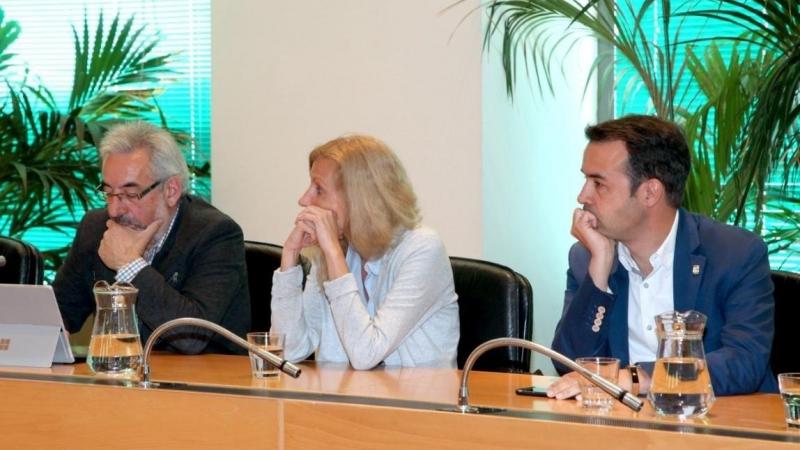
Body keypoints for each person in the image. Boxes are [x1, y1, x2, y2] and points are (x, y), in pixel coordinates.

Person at [548, 115, 777, 399]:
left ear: (650, 192)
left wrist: (636, 377)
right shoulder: (587, 257)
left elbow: (744, 362)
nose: (583, 196)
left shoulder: (735, 253)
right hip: (621, 431)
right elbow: (568, 364)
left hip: (718, 428)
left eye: (599, 183)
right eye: (585, 180)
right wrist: (599, 275)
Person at [54, 121, 250, 354]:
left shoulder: (216, 235)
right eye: (108, 193)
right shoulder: (96, 228)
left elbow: (190, 337)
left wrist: (129, 265)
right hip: (118, 380)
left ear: (171, 190)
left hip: (204, 384)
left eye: (129, 194)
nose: (115, 210)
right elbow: (59, 314)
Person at [270, 134, 459, 370]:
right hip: (346, 401)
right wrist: (289, 257)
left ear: (357, 199)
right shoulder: (334, 253)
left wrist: (334, 257)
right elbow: (289, 350)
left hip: (414, 403)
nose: (304, 199)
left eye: (319, 189)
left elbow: (365, 354)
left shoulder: (422, 248)